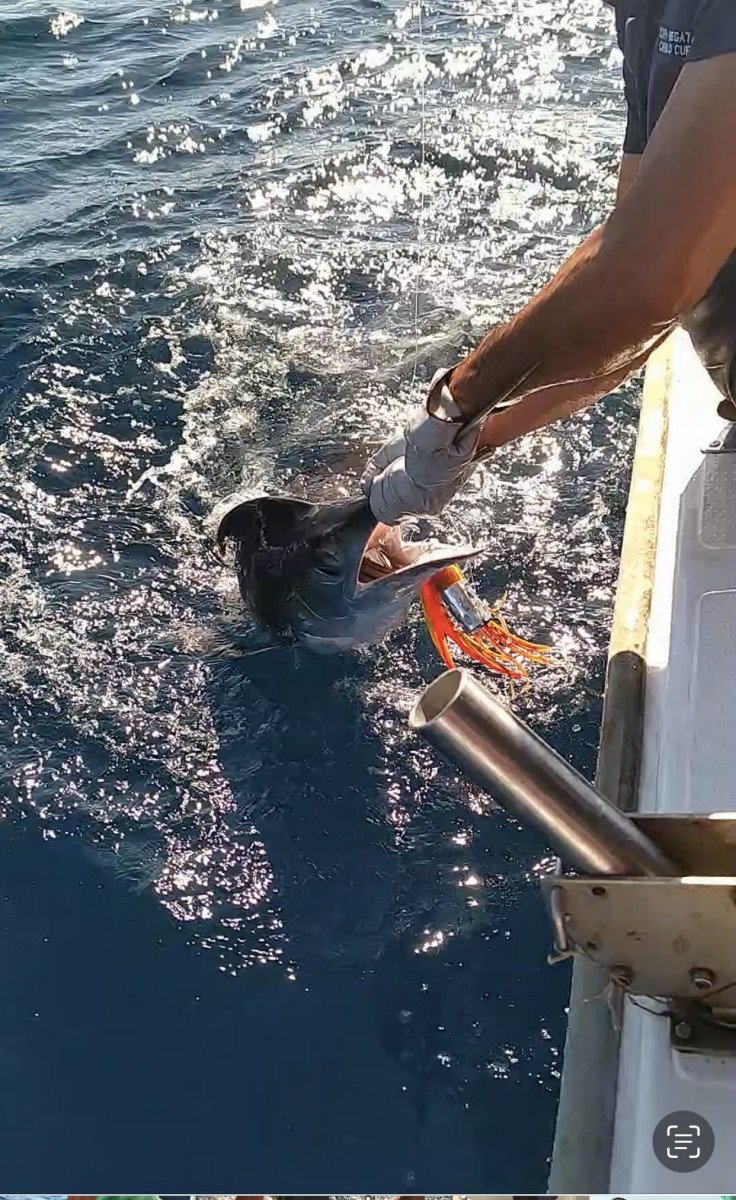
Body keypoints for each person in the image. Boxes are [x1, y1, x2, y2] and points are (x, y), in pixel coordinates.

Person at [361, 0, 736, 526]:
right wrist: (472, 441)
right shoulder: (642, 14)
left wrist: (455, 405)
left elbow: (642, 282)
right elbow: (633, 309)